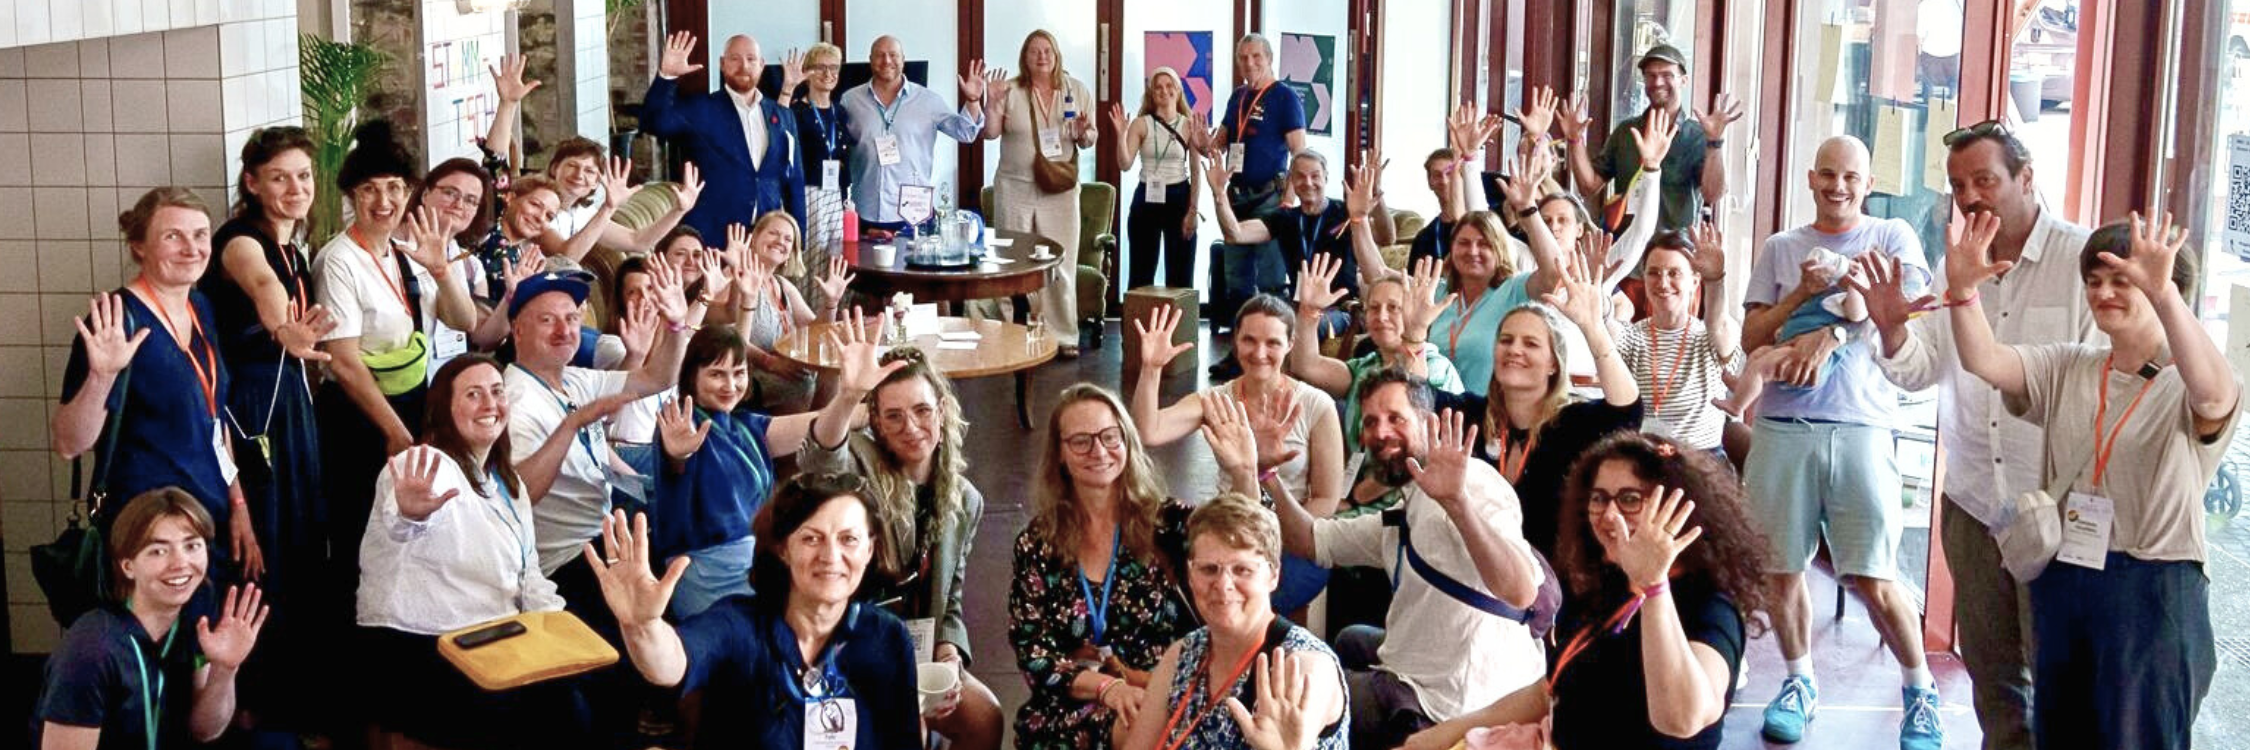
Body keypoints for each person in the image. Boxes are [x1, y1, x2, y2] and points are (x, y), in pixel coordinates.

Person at [1937, 212, 2237, 750]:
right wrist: (1961, 293)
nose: (2105, 293)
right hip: (2067, 576)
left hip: (2152, 588)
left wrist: (2165, 297)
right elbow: (1985, 359)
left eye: (2123, 280)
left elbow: (2215, 397)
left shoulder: (2185, 379)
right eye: (2095, 281)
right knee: (2058, 733)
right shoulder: (2071, 365)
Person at [1860, 122, 2095, 750]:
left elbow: (2102, 387)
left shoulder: (2082, 262)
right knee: (1992, 676)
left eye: (1985, 180)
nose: (1971, 198)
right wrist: (1890, 331)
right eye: (1959, 186)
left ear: (2026, 178)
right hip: (1972, 503)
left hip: (2057, 511)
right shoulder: (1953, 264)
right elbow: (1919, 370)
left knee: (2058, 678)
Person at [1737, 135, 1943, 749]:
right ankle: (1799, 682)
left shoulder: (1894, 238)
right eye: (1827, 174)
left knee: (1875, 574)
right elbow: (1752, 337)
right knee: (1781, 571)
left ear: (1869, 181)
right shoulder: (1781, 247)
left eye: (1851, 176)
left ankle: (1920, 690)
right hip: (1781, 428)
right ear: (1810, 178)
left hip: (1862, 426)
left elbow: (1905, 312)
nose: (1839, 186)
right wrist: (1800, 294)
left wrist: (1829, 337)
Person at [1397, 432, 1772, 750]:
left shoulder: (1709, 606)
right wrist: (1441, 735)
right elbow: (1551, 690)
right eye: (1599, 498)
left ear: (1673, 509)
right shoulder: (1604, 586)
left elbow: (1683, 718)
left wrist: (1654, 587)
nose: (1609, 515)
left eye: (1629, 499)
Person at [1264, 369, 1547, 750]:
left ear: (1428, 424)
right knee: (1349, 640)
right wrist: (1268, 473)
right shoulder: (1404, 511)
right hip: (1439, 666)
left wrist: (1458, 504)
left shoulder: (1474, 484)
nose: (1381, 433)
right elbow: (1311, 541)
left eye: (1396, 419)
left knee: (1298, 690)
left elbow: (1521, 590)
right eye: (1371, 422)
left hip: (1456, 699)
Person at [586, 475, 922, 750]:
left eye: (848, 539)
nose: (830, 556)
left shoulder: (887, 637)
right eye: (811, 539)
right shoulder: (739, 624)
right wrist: (642, 625)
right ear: (782, 548)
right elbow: (670, 662)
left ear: (870, 549)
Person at [355, 356, 588, 748]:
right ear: (444, 409)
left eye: (497, 392)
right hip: (421, 644)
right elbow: (402, 522)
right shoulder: (423, 463)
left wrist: (558, 632)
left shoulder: (509, 484)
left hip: (492, 639)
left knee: (571, 701)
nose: (489, 404)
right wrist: (411, 513)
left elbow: (528, 572)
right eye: (473, 394)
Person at [198, 126, 338, 733]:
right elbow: (262, 286)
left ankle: (297, 694)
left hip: (291, 407)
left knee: (304, 542)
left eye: (303, 176)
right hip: (252, 411)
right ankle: (251, 706)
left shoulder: (296, 247)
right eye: (279, 177)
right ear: (252, 183)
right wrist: (285, 328)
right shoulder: (240, 241)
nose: (295, 188)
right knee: (265, 551)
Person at [54, 189, 270, 581]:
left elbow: (214, 418)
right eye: (173, 236)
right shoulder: (117, 320)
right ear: (139, 246)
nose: (192, 248)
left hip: (207, 520)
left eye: (201, 235)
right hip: (148, 531)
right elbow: (70, 444)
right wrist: (102, 376)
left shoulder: (199, 306)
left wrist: (238, 503)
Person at [799, 344, 1006, 750]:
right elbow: (819, 463)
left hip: (917, 651)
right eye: (893, 416)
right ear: (874, 421)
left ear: (942, 411)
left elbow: (951, 598)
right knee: (907, 729)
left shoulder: (965, 500)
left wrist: (949, 651)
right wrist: (847, 398)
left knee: (986, 718)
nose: (911, 427)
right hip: (846, 646)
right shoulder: (858, 466)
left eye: (922, 411)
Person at [508, 261, 698, 634]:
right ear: (517, 329)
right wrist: (574, 423)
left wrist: (676, 326)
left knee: (692, 510)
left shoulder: (573, 379)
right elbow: (521, 494)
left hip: (606, 535)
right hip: (566, 562)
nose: (565, 330)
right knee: (653, 635)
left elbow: (656, 378)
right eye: (547, 320)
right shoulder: (516, 400)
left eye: (572, 318)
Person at [1009, 384, 1197, 749]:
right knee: (1138, 722)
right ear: (1060, 454)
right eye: (1081, 440)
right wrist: (1108, 688)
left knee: (1148, 721)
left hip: (1159, 692)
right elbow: (1032, 651)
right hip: (1073, 701)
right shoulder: (1037, 542)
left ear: (1127, 441)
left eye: (1110, 437)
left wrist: (1247, 472)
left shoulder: (1166, 523)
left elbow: (1240, 540)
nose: (1098, 451)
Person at [647, 320, 874, 619]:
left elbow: (819, 422)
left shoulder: (746, 425)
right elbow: (676, 458)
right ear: (692, 377)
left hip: (761, 563)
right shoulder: (681, 426)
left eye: (738, 373)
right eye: (716, 374)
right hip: (707, 576)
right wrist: (678, 452)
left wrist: (862, 400)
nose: (730, 386)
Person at [1133, 297, 1346, 612]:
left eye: (1272, 342)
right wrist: (1151, 370)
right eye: (1249, 340)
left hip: (1292, 541)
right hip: (1226, 531)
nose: (1259, 353)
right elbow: (1148, 431)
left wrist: (1269, 539)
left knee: (1243, 600)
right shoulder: (1218, 400)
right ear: (1235, 341)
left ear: (1290, 344)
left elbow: (1327, 500)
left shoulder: (1317, 405)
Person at [1439, 252, 1642, 557]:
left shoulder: (1572, 424)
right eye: (1506, 340)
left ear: (1553, 365)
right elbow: (1416, 400)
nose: (1514, 350)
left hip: (1554, 585)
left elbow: (1627, 412)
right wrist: (1414, 337)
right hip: (1479, 576)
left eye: (1530, 343)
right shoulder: (1472, 416)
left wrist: (1593, 328)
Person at [33, 489, 268, 750]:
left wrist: (225, 669)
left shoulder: (192, 623)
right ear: (127, 565)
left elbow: (205, 730)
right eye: (158, 551)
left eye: (192, 546)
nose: (180, 563)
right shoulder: (92, 650)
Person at [1115, 493, 1349, 750]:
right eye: (1209, 569)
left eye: (1242, 570)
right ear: (1190, 575)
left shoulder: (1304, 666)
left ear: (1273, 575)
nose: (1224, 585)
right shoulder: (1183, 655)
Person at [985, 29, 1098, 355]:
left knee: (1060, 264)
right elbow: (990, 133)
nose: (1042, 56)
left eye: (1047, 50)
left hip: (1059, 191)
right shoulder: (1011, 91)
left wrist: (1081, 133)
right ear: (1025, 56)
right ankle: (1012, 334)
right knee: (1012, 263)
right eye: (1035, 51)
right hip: (1015, 188)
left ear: (1056, 53)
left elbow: (1090, 138)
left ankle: (1063, 336)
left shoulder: (1076, 90)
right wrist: (991, 104)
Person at [1558, 43, 1742, 233]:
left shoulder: (1697, 136)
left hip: (1674, 253)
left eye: (1667, 75)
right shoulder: (1626, 132)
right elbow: (1588, 186)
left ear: (1683, 80)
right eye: (1650, 75)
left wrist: (1715, 142)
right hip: (1625, 251)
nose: (1658, 82)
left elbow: (1712, 194)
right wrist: (1574, 140)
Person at [1289, 255, 1464, 451]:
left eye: (1393, 308)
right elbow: (1306, 365)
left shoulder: (1436, 367)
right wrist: (1308, 312)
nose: (1381, 316)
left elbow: (1411, 401)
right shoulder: (1366, 366)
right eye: (1373, 308)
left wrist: (1415, 334)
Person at [638, 34, 801, 239]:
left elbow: (794, 180)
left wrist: (798, 239)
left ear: (761, 65)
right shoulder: (701, 109)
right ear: (722, 64)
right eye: (735, 59)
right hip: (712, 236)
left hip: (765, 239)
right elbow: (654, 123)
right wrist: (667, 77)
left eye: (751, 59)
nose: (744, 66)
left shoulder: (783, 116)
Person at [1210, 150, 1376, 340]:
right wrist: (1220, 194)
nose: (1308, 182)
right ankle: (1237, 368)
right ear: (1291, 181)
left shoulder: (1347, 213)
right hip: (1299, 304)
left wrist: (1373, 198)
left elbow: (1386, 236)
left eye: (1315, 176)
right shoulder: (1286, 218)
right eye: (1300, 176)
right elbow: (1234, 234)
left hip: (1341, 309)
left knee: (1298, 327)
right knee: (1256, 322)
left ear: (1326, 178)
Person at [838, 35, 993, 234]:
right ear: (870, 60)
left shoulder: (928, 100)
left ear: (903, 59)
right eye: (880, 55)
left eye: (893, 55)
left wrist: (972, 100)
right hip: (864, 211)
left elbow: (966, 133)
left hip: (913, 215)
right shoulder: (850, 100)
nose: (887, 61)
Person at [1207, 34, 1308, 324]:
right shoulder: (1238, 97)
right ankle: (1239, 351)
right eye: (1243, 58)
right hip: (1235, 198)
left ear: (1269, 59)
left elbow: (1299, 153)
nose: (1249, 63)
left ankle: (1277, 348)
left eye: (1256, 57)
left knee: (1271, 279)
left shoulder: (1284, 97)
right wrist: (1204, 143)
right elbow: (1219, 145)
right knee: (1235, 279)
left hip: (1269, 199)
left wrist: (1289, 200)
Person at [1614, 226, 1741, 457]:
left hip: (1702, 462)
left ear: (1694, 282)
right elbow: (1605, 335)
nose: (1663, 283)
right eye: (1654, 273)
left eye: (1674, 273)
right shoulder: (1633, 335)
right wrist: (1601, 287)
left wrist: (1715, 280)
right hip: (1644, 458)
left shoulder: (1710, 335)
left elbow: (1718, 323)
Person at [726, 213, 851, 414]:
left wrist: (831, 302)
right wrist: (770, 363)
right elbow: (728, 340)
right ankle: (802, 435)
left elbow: (818, 331)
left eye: (788, 239)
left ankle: (818, 435)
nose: (780, 242)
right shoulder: (735, 278)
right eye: (773, 233)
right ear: (755, 237)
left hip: (789, 367)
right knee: (803, 385)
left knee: (835, 368)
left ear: (791, 252)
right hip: (752, 374)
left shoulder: (783, 285)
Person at [1107, 67, 1206, 291]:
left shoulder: (1189, 124)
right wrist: (1121, 136)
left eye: (1170, 86)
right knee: (1141, 274)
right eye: (1158, 87)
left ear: (1179, 91)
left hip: (1179, 196)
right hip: (1146, 198)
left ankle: (1179, 325)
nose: (1164, 91)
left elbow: (1196, 170)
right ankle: (1138, 325)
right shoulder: (1141, 124)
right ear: (1151, 93)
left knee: (1181, 277)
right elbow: (1125, 164)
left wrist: (1193, 210)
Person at [775, 43, 856, 254]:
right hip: (807, 194)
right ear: (807, 73)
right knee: (810, 257)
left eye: (834, 67)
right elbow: (777, 131)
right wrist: (787, 88)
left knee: (838, 258)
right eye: (820, 67)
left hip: (837, 194)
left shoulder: (841, 113)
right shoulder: (796, 111)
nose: (828, 73)